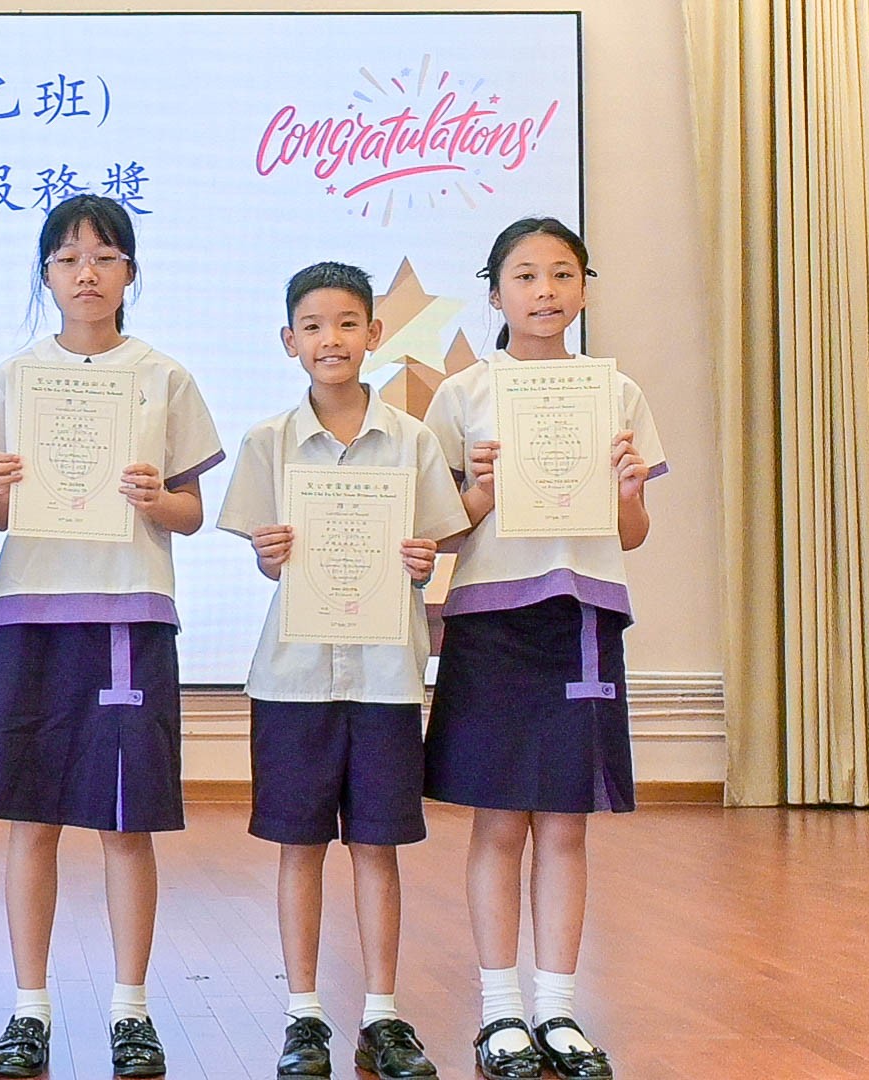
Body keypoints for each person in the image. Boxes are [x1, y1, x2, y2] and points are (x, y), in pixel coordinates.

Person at [0, 194, 223, 1080]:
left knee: (125, 823)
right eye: (69, 258)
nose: (87, 274)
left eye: (106, 257)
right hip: (31, 612)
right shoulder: (13, 378)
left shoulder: (164, 376)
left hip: (127, 614)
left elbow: (191, 511)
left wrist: (157, 499)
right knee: (30, 821)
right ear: (46, 274)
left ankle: (130, 1010)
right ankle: (29, 1009)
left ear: (130, 273)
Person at [422, 218, 663, 1080]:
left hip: (582, 619)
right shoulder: (461, 396)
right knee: (498, 819)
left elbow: (631, 533)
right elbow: (439, 533)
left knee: (564, 821)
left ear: (585, 288)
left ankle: (558, 1008)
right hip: (491, 622)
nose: (546, 290)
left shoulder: (616, 392)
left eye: (563, 273)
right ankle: (499, 1013)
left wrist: (628, 489)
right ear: (495, 294)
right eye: (525, 275)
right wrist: (479, 494)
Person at [216, 262, 469, 1080]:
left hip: (387, 675)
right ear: (289, 341)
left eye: (348, 323)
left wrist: (423, 561)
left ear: (375, 334)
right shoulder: (267, 442)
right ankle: (304, 1014)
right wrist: (269, 554)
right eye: (314, 326)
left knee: (377, 845)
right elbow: (265, 561)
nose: (332, 339)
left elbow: (434, 546)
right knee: (298, 846)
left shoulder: (415, 441)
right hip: (293, 679)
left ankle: (383, 1015)